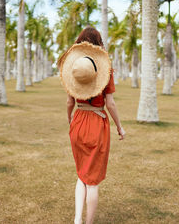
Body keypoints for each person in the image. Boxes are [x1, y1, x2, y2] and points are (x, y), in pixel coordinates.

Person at [57, 26, 125, 224]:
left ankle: (77, 219)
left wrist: (70, 120)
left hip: (78, 120)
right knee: (92, 181)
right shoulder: (106, 71)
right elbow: (110, 103)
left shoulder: (74, 71)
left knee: (82, 175)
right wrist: (120, 127)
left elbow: (69, 103)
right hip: (96, 123)